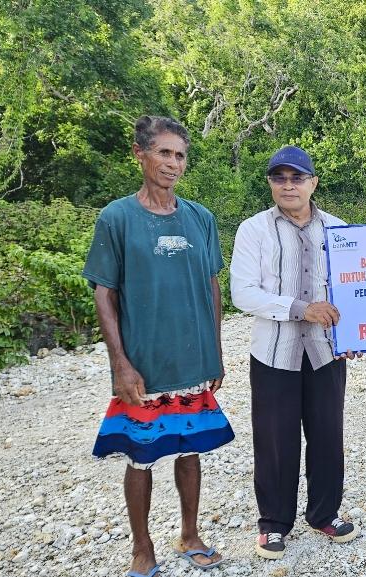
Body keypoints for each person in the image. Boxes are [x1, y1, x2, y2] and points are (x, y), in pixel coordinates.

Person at [85, 116, 233, 577]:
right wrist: (120, 363)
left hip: (192, 358)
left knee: (190, 452)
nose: (173, 163)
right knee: (141, 455)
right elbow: (104, 292)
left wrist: (215, 350)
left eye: (180, 155)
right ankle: (142, 547)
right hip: (143, 363)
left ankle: (189, 534)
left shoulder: (200, 218)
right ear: (140, 154)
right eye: (164, 152)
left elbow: (211, 286)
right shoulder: (117, 218)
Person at [230, 145, 361, 560]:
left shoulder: (339, 230)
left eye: (297, 178)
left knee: (327, 435)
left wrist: (357, 333)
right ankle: (273, 523)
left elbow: (357, 289)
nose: (288, 185)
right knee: (275, 439)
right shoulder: (254, 230)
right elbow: (243, 293)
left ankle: (325, 513)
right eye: (279, 178)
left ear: (313, 183)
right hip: (274, 353)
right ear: (270, 183)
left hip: (326, 353)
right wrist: (302, 309)